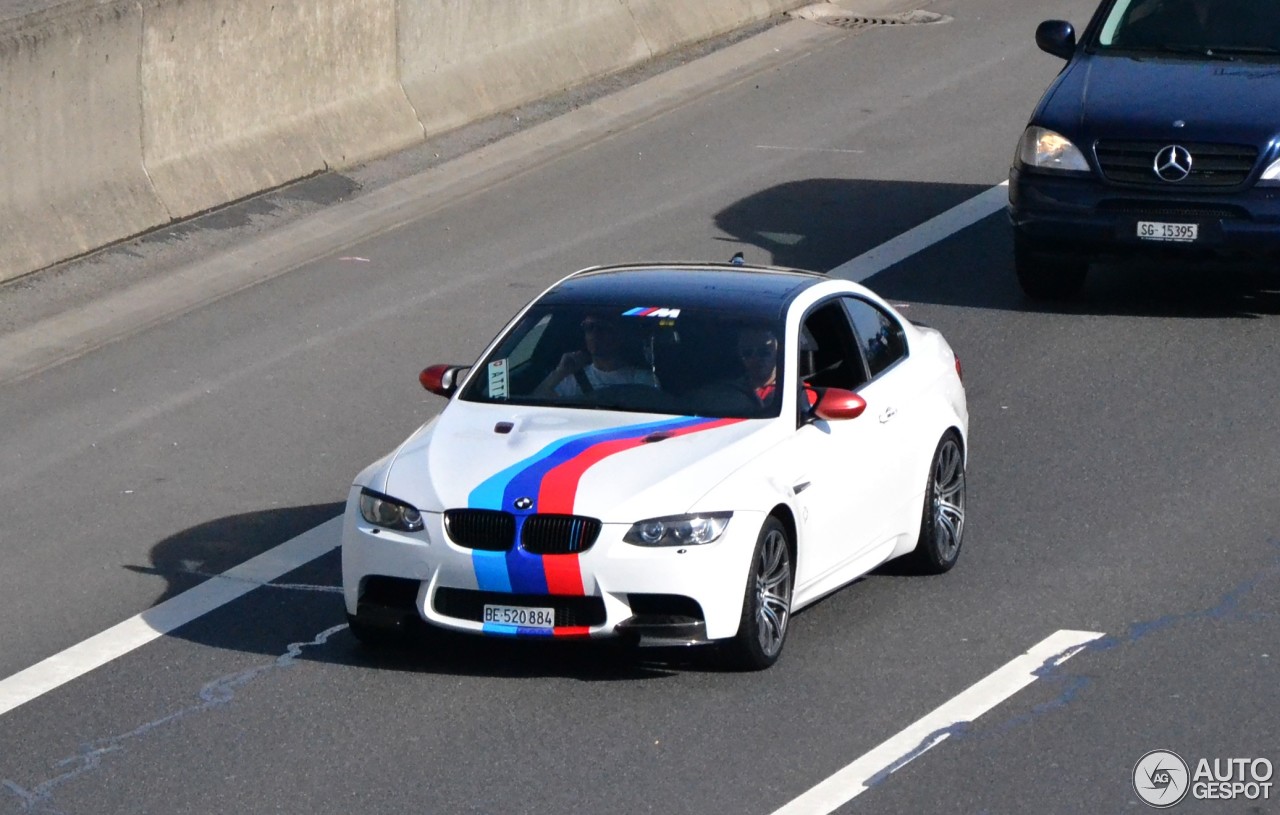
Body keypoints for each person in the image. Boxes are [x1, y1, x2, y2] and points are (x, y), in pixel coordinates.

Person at [536, 313, 658, 397]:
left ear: (619, 336)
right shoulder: (572, 378)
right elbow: (536, 403)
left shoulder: (642, 380)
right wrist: (559, 373)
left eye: (602, 328)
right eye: (589, 327)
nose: (595, 334)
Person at [734, 326, 819, 408]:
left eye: (764, 352)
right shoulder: (731, 390)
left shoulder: (799, 393)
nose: (755, 358)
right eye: (747, 353)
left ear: (777, 353)